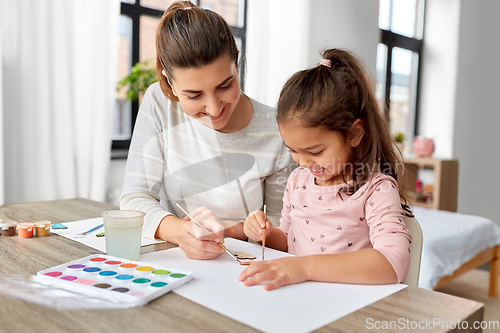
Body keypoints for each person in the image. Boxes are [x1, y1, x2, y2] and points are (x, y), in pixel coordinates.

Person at [120, 1, 293, 260]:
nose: (213, 109)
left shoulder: (276, 131)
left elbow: (284, 225)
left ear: (237, 62)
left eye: (225, 86)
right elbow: (135, 198)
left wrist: (233, 232)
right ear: (170, 82)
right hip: (176, 264)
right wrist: (180, 232)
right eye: (194, 94)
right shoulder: (160, 102)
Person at [239, 48, 413, 291]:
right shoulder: (298, 181)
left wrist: (304, 268)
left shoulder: (375, 189)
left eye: (315, 152)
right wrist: (264, 233)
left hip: (347, 304)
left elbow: (393, 262)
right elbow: (288, 241)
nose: (302, 162)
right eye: (293, 150)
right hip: (300, 295)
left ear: (354, 134)